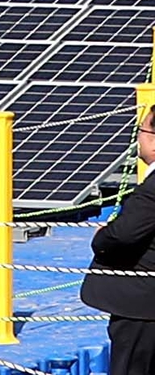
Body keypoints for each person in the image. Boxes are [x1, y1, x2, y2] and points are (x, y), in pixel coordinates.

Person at [79, 99, 155, 375]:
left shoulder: (152, 190)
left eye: (142, 130)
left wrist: (102, 237)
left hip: (142, 306)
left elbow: (124, 236)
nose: (138, 137)